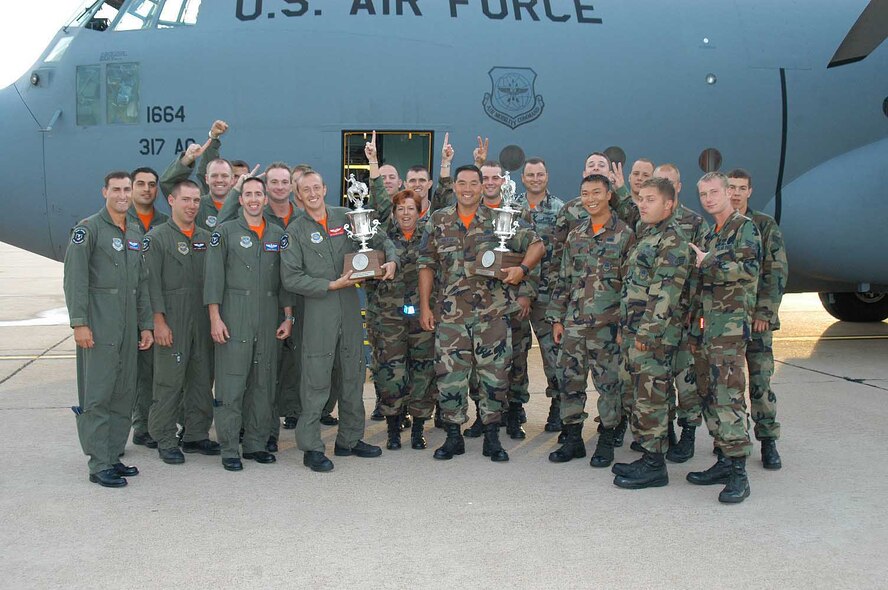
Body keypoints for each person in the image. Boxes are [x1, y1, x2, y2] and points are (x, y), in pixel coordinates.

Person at [418, 165, 544, 462]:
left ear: (483, 186)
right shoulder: (439, 220)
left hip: (492, 315)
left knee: (495, 376)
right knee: (450, 376)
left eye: (474, 183)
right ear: (455, 187)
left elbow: (537, 245)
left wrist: (522, 270)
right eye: (462, 183)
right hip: (451, 316)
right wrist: (424, 306)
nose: (467, 189)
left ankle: (492, 437)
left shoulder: (500, 219)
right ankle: (453, 436)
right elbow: (426, 264)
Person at [281, 170, 398, 472]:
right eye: (305, 189)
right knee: (316, 379)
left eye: (316, 187)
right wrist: (330, 285)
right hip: (319, 307)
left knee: (353, 373)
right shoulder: (295, 231)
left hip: (348, 306)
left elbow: (383, 238)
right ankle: (311, 447)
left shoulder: (347, 218)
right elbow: (291, 277)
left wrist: (391, 261)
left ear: (325, 188)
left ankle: (349, 440)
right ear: (298, 195)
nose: (312, 193)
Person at [63, 171, 154, 487]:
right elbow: (75, 279)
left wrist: (145, 326)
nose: (122, 195)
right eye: (116, 189)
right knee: (98, 395)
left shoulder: (133, 229)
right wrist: (79, 323)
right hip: (99, 328)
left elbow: (141, 283)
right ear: (105, 192)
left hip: (128, 329)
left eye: (126, 189)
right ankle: (98, 463)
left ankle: (114, 456)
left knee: (123, 394)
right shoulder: (88, 230)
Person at [204, 177, 294, 471]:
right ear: (240, 199)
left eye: (259, 194)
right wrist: (215, 318)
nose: (254, 199)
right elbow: (213, 279)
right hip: (234, 315)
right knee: (231, 384)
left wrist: (288, 316)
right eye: (248, 194)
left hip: (268, 315)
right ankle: (229, 447)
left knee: (263, 384)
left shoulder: (277, 234)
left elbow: (284, 281)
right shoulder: (225, 233)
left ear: (266, 199)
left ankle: (255, 444)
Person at [546, 175, 634, 467]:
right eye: (585, 193)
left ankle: (606, 439)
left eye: (597, 192)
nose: (591, 198)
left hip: (607, 327)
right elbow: (564, 280)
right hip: (574, 324)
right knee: (569, 381)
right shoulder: (576, 235)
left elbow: (630, 287)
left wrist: (624, 326)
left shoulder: (625, 235)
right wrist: (557, 319)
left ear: (609, 195)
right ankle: (573, 439)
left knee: (609, 385)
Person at [685, 172, 762, 504]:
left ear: (729, 193)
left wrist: (709, 262)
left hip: (729, 330)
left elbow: (748, 269)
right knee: (709, 394)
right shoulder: (709, 232)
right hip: (706, 330)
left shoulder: (745, 228)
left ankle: (739, 474)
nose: (708, 199)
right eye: (703, 194)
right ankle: (723, 459)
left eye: (714, 192)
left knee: (728, 396)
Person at [611, 177, 689, 489]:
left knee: (652, 398)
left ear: (669, 204)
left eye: (650, 199)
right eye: (641, 198)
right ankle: (647, 455)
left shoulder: (672, 240)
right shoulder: (649, 233)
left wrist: (648, 332)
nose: (642, 204)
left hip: (653, 338)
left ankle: (656, 465)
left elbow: (665, 293)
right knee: (637, 396)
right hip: (635, 332)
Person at [143, 180, 219, 464]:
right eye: (186, 200)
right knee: (168, 382)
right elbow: (149, 284)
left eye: (196, 201)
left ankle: (196, 434)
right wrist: (158, 322)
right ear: (172, 201)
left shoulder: (206, 237)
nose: (191, 206)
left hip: (201, 318)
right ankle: (164, 437)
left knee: (201, 379)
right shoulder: (158, 238)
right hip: (172, 318)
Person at [364, 189, 437, 449]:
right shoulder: (381, 237)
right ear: (393, 213)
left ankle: (418, 429)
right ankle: (393, 428)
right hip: (388, 316)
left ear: (419, 212)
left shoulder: (429, 237)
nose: (405, 214)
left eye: (410, 209)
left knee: (422, 372)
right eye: (400, 209)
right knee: (390, 373)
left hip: (421, 315)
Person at [727, 168, 787, 469]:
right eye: (731, 188)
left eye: (741, 188)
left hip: (755, 322)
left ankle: (768, 440)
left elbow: (775, 271)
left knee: (760, 384)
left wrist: (765, 312)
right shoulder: (720, 227)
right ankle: (730, 442)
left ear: (749, 191)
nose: (736, 193)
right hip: (726, 323)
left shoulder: (764, 225)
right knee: (728, 386)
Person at [514, 158, 565, 433]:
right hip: (518, 294)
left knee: (552, 354)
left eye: (540, 174)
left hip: (549, 295)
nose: (535, 178)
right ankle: (516, 407)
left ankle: (557, 408)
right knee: (516, 354)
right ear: (522, 178)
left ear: (547, 176)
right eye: (530, 174)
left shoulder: (560, 209)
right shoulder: (511, 207)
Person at [127, 166, 169, 450]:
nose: (146, 189)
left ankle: (147, 426)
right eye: (140, 184)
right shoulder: (120, 221)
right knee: (128, 375)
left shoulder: (165, 222)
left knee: (153, 372)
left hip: (154, 307)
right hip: (125, 308)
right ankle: (129, 429)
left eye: (152, 184)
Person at [159, 120, 238, 230]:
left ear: (233, 179)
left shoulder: (241, 207)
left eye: (224, 176)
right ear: (206, 178)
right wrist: (187, 159)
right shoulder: (195, 205)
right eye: (214, 176)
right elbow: (167, 183)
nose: (219, 180)